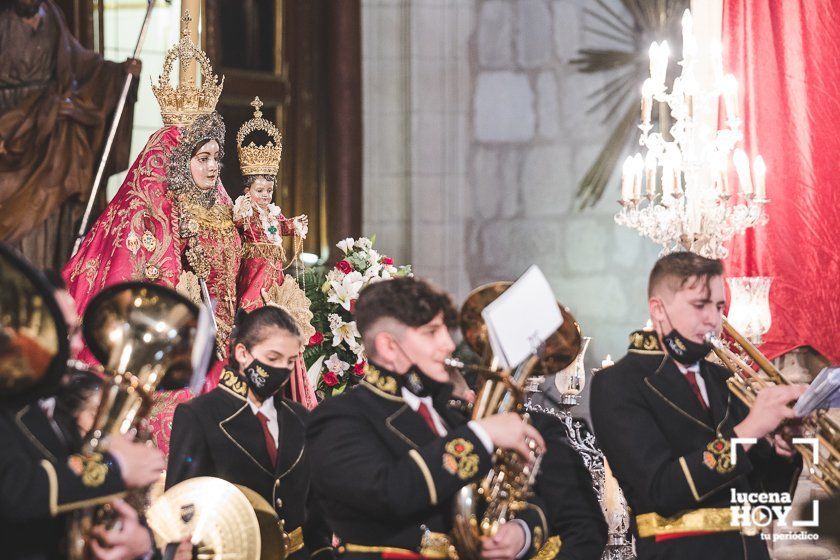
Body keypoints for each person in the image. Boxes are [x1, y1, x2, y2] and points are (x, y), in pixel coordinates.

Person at [61, 18, 238, 454]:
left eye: (217, 157)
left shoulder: (224, 212)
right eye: (201, 158)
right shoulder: (144, 217)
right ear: (176, 162)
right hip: (163, 354)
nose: (213, 168)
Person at [306, 277, 549, 560]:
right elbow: (389, 493)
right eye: (432, 332)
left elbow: (523, 500)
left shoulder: (452, 416)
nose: (448, 344)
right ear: (388, 346)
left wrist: (521, 532)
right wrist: (482, 435)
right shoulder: (339, 416)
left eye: (446, 330)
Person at [589, 252, 804, 560]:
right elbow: (661, 490)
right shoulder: (618, 383)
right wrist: (747, 432)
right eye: (700, 305)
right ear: (658, 310)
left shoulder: (724, 379)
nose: (713, 319)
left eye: (719, 307)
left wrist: (785, 450)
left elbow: (769, 503)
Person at [0, 250, 166, 560]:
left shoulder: (61, 409)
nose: (77, 346)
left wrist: (141, 543)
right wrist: (113, 466)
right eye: (65, 333)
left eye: (76, 331)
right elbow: (14, 489)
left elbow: (82, 496)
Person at [166, 306, 334, 560]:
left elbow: (316, 504)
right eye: (273, 358)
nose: (283, 371)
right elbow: (183, 505)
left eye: (290, 361)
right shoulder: (199, 415)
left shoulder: (300, 417)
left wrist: (323, 553)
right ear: (243, 353)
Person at [0, 0, 140, 269]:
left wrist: (120, 73)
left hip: (49, 131)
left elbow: (81, 64)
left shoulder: (50, 15)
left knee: (56, 202)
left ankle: (49, 277)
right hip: (10, 127)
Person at [229, 96, 315, 408]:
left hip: (274, 275)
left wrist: (296, 225)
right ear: (247, 190)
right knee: (255, 312)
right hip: (254, 273)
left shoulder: (271, 214)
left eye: (268, 191)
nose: (265, 196)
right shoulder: (245, 210)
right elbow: (238, 224)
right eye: (259, 191)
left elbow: (282, 224)